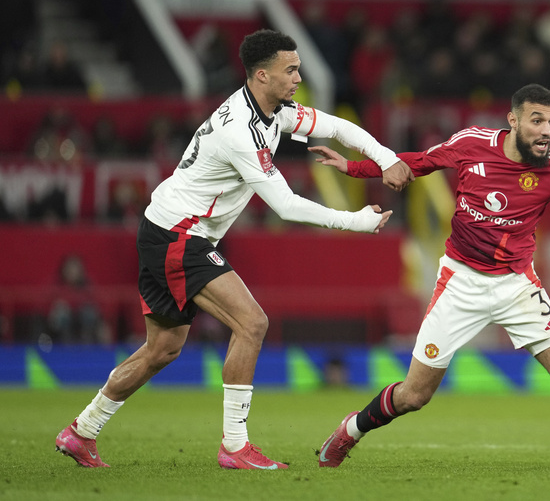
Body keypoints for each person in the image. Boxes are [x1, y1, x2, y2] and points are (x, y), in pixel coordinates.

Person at [54, 29, 414, 470]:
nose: (299, 77)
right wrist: (355, 221)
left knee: (161, 349)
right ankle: (235, 446)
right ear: (262, 75)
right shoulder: (240, 130)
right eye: (291, 70)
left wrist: (385, 157)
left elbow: (335, 126)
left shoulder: (273, 111)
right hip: (178, 235)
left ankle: (81, 432)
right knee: (252, 322)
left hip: (166, 228)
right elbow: (285, 205)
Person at [309, 84, 550, 470]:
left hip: (518, 285)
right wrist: (353, 168)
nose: (546, 130)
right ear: (513, 120)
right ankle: (349, 431)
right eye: (536, 120)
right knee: (414, 396)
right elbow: (416, 162)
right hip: (461, 282)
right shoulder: (472, 143)